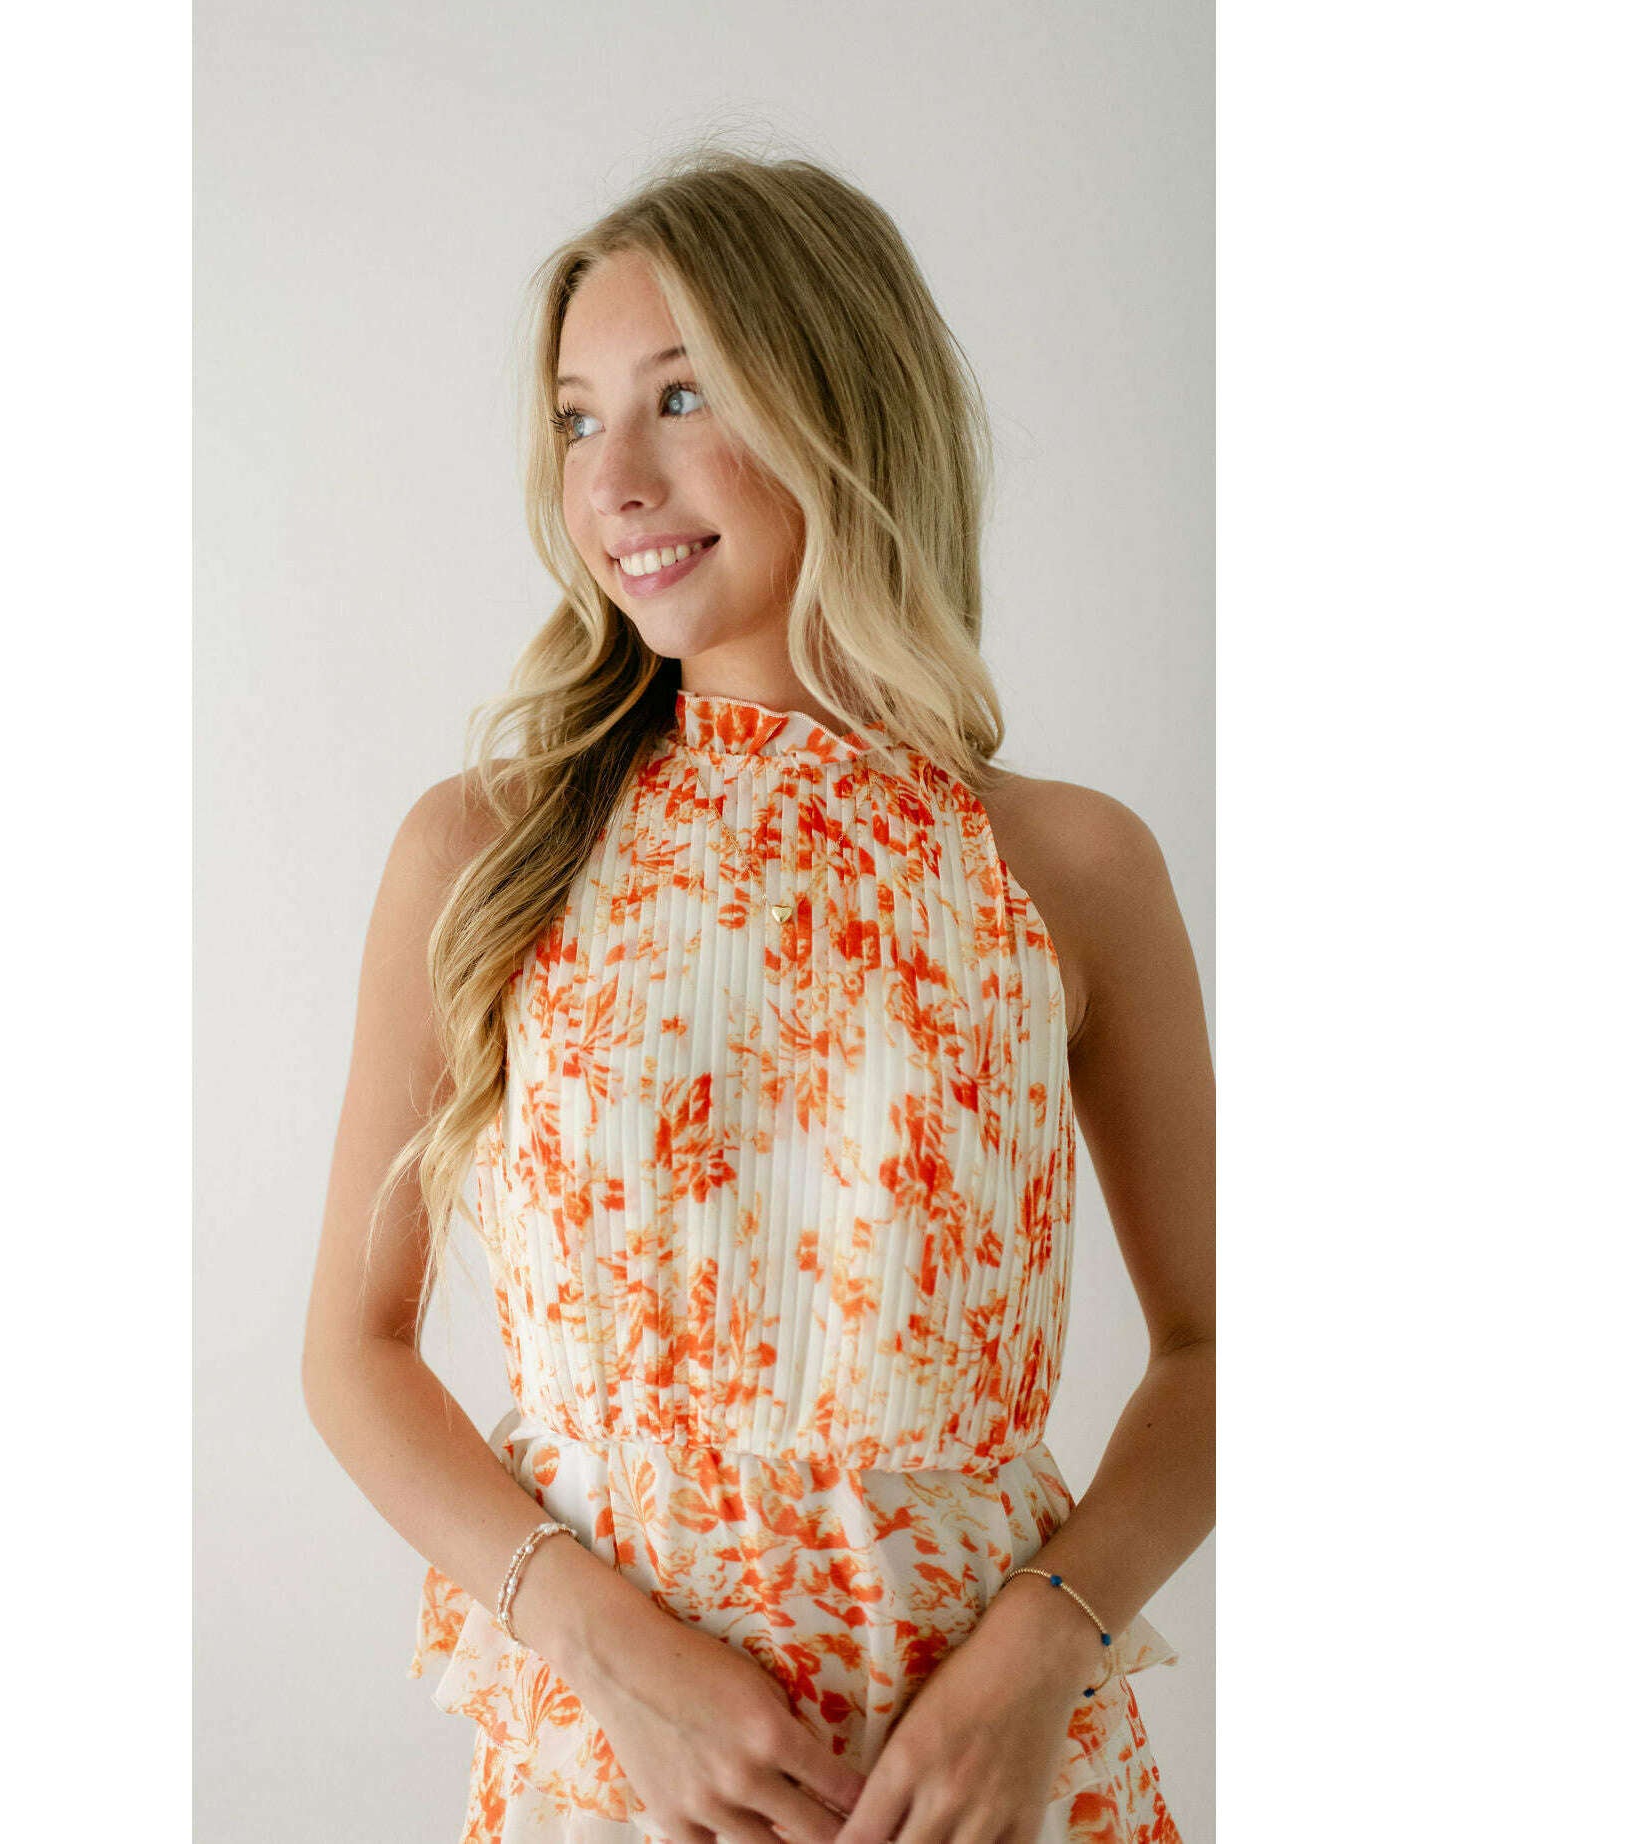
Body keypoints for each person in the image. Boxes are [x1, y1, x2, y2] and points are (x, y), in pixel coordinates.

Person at [302, 142, 1213, 1844]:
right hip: (620, 1772)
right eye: (576, 419)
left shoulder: (1069, 865)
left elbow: (1221, 1350)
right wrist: (611, 1652)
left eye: (680, 395)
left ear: (838, 401)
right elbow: (354, 1355)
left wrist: (1042, 1655)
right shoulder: (486, 850)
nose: (614, 480)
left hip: (991, 1781)